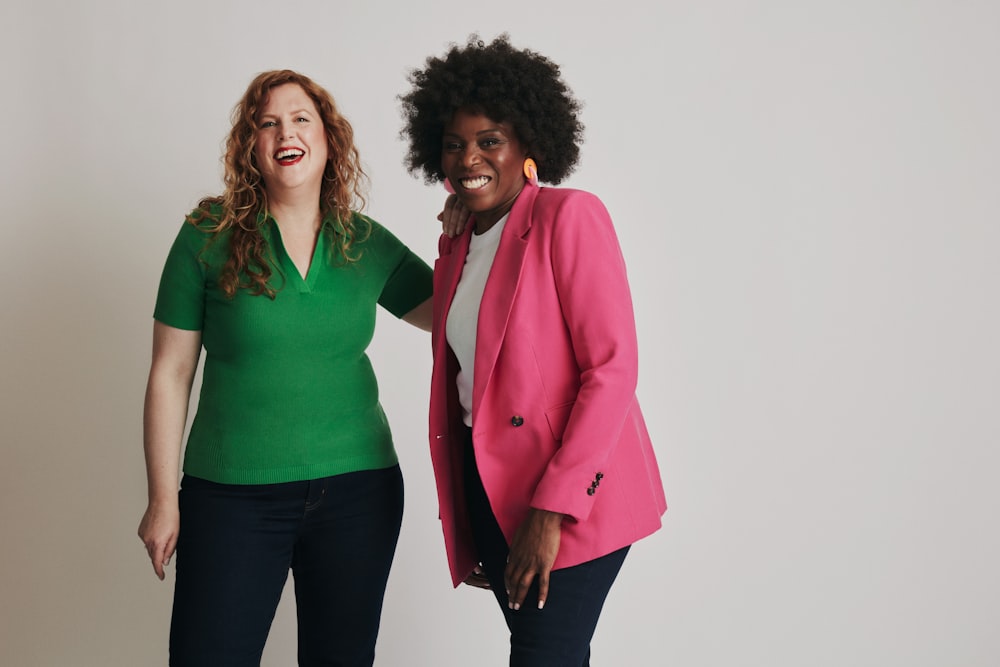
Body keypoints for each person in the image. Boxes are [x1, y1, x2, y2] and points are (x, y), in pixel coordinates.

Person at [137, 69, 436, 667]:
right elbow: (171, 373)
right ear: (250, 146)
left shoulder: (365, 242)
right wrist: (162, 498)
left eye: (301, 119)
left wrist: (472, 228)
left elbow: (459, 316)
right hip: (230, 496)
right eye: (266, 123)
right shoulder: (205, 235)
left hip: (359, 492)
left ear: (330, 139)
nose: (284, 133)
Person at [399, 35, 669, 666]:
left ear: (528, 148)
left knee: (546, 654)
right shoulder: (460, 244)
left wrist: (551, 511)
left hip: (567, 496)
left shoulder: (568, 215)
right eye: (455, 143)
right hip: (493, 490)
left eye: (490, 140)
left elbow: (612, 370)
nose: (471, 157)